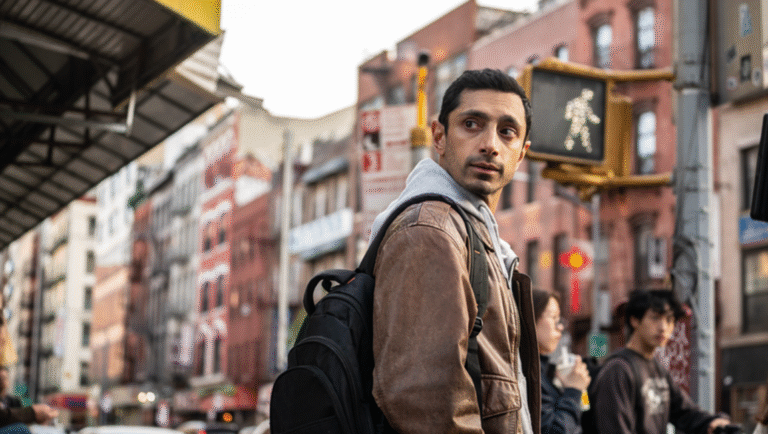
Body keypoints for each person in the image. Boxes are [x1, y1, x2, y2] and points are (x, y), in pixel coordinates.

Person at [369, 68, 539, 433]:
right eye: (472, 124)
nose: (491, 144)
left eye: (507, 132)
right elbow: (427, 404)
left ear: (521, 153)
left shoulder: (477, 235)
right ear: (439, 136)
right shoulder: (431, 229)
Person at [591, 289, 730, 434]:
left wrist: (713, 423)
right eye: (655, 318)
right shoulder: (618, 370)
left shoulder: (658, 369)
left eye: (669, 320)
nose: (663, 327)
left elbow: (684, 412)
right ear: (635, 320)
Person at [532, 289, 590, 434]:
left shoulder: (543, 370)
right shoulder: (529, 375)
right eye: (554, 318)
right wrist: (573, 390)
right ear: (530, 317)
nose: (560, 327)